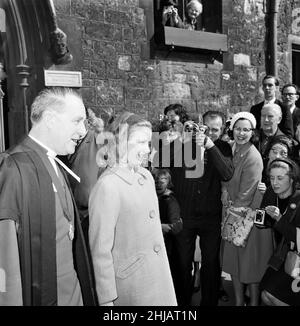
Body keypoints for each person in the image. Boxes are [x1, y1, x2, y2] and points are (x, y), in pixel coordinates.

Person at [0, 87, 97, 306]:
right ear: (51, 119)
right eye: (77, 121)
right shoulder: (13, 167)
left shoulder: (56, 162)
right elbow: (4, 257)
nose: (83, 131)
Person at [89, 112, 177, 306]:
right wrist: (106, 299)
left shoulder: (145, 176)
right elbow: (100, 249)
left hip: (157, 277)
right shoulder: (108, 186)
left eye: (148, 143)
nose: (147, 150)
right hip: (132, 287)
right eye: (140, 142)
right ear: (119, 142)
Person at [170, 110, 234, 306]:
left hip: (210, 215)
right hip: (185, 213)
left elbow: (227, 173)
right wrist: (183, 138)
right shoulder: (183, 143)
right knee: (182, 263)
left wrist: (210, 145)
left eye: (216, 129)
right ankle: (182, 304)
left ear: (222, 130)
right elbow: (161, 161)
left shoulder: (222, 147)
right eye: (208, 128)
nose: (212, 133)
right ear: (200, 125)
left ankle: (209, 302)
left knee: (211, 263)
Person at [222, 112, 273, 306]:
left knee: (249, 266)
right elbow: (224, 178)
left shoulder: (253, 156)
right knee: (234, 264)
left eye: (246, 130)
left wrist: (230, 216)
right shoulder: (231, 149)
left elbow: (246, 195)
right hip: (232, 213)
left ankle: (251, 303)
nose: (241, 133)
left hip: (245, 217)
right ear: (232, 129)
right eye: (238, 128)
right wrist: (225, 191)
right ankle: (238, 301)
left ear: (252, 133)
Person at [259, 158, 300, 306]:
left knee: (271, 295)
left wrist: (279, 218)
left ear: (291, 179)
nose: (274, 182)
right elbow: (263, 221)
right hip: (283, 255)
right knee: (265, 294)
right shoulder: (271, 192)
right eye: (271, 177)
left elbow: (297, 236)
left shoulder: (299, 199)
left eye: (280, 178)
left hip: (297, 259)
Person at [152, 168, 182, 298]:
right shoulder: (154, 198)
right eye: (156, 181)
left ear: (169, 183)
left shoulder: (170, 201)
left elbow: (175, 227)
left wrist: (159, 227)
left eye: (162, 181)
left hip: (168, 250)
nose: (158, 184)